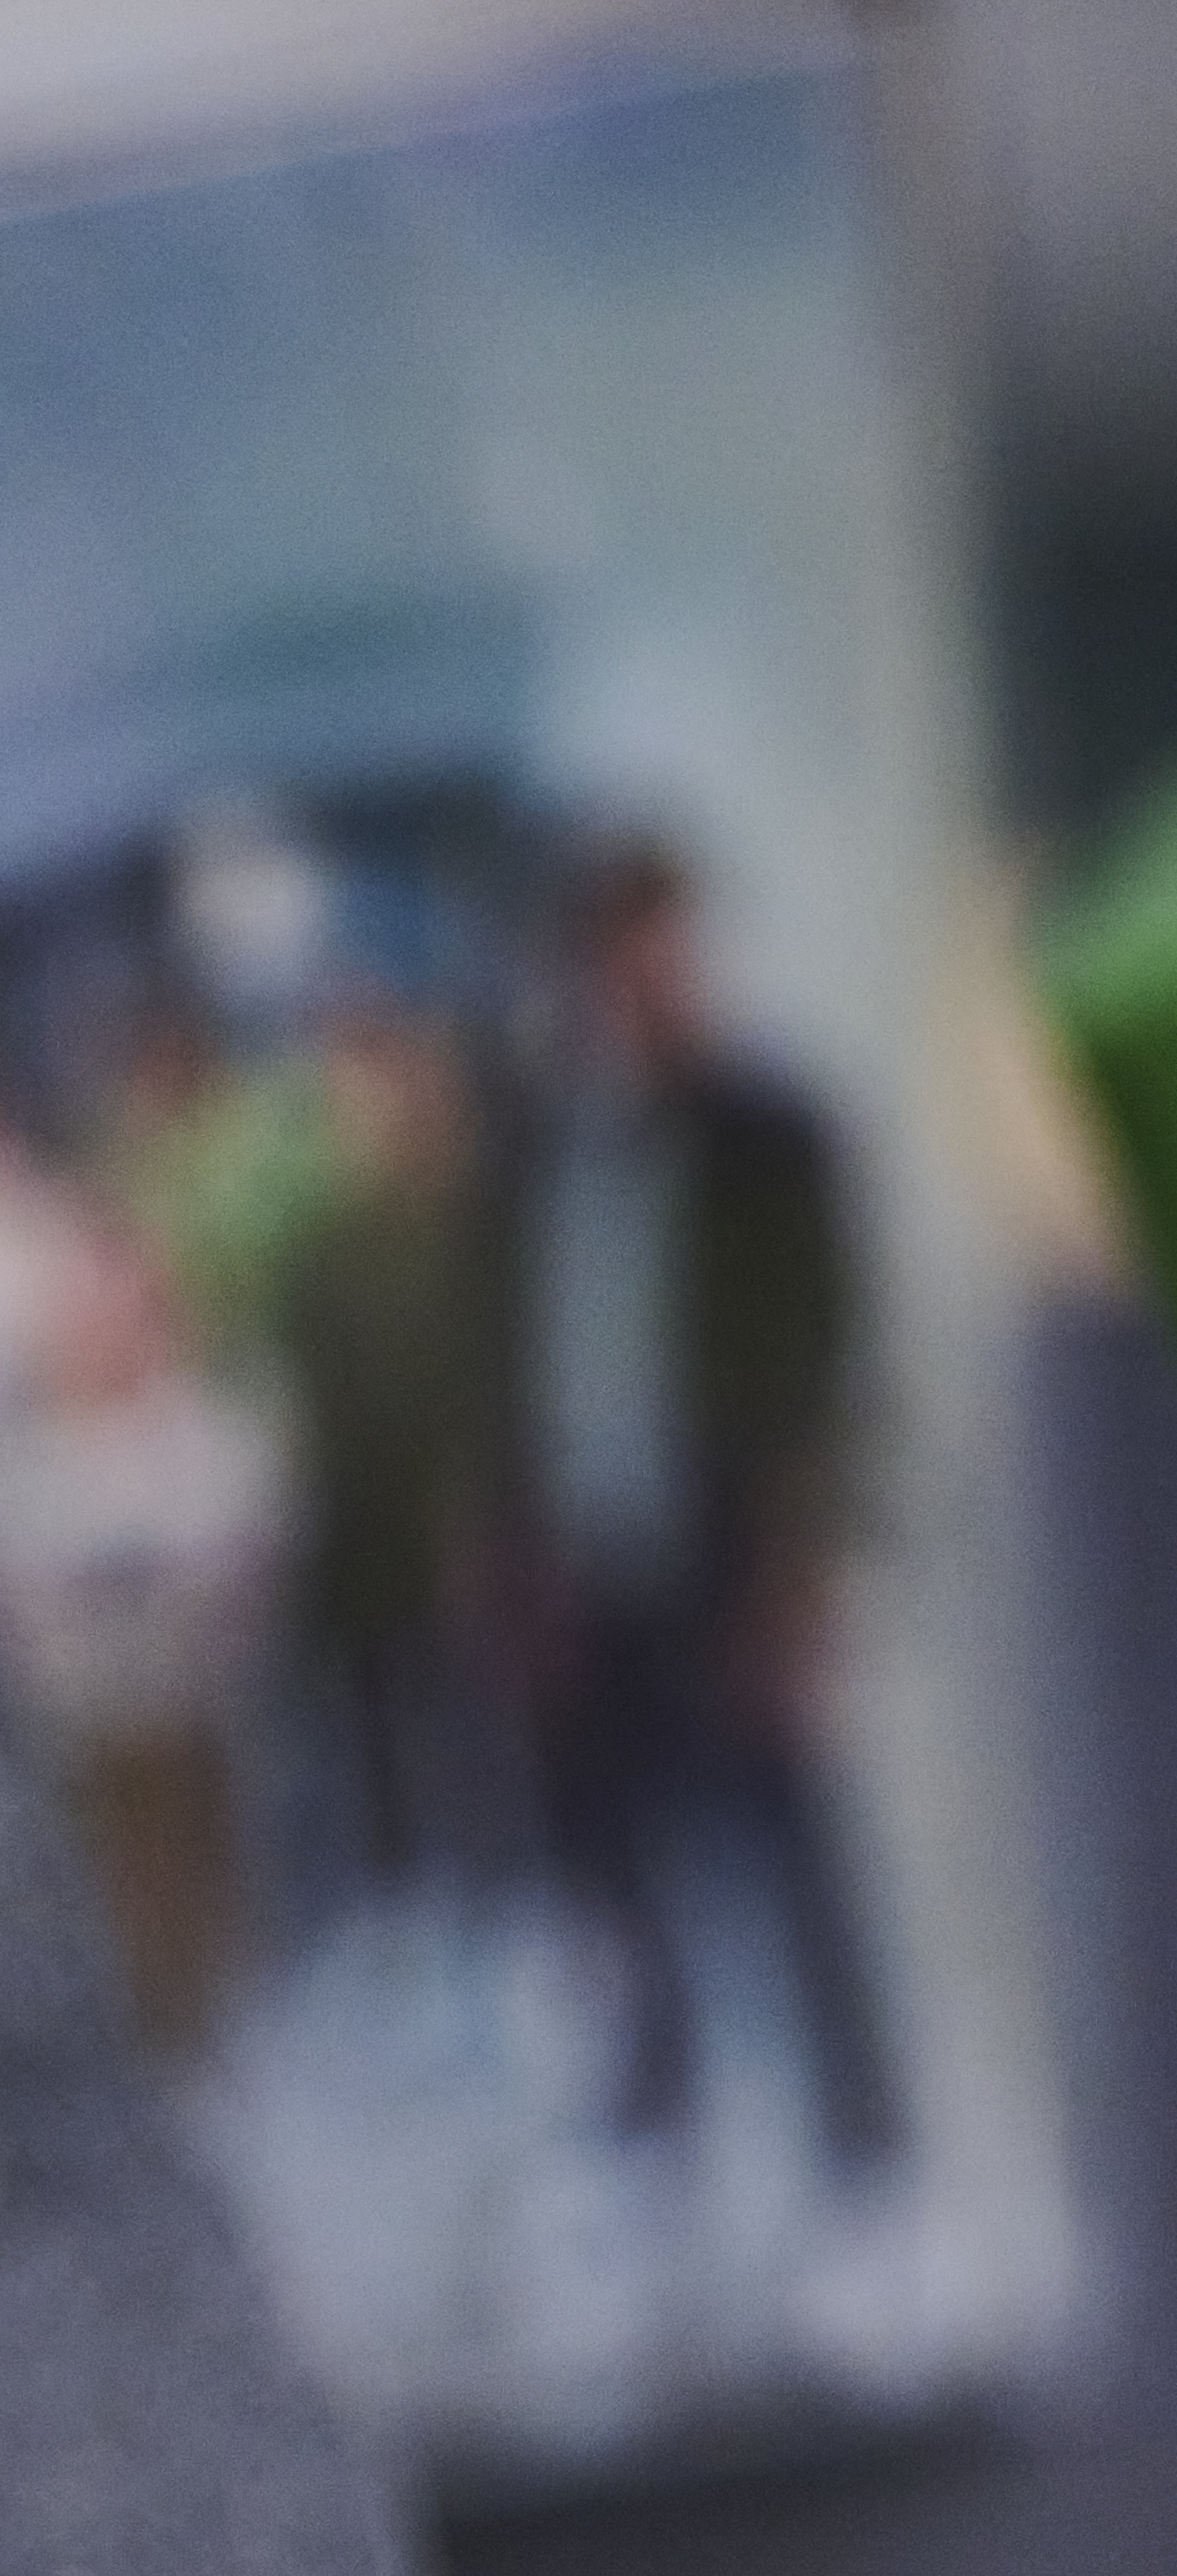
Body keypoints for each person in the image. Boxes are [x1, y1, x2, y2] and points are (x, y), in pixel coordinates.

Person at [508, 839, 900, 2166]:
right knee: (615, 1851)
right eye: (623, 952)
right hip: (594, 1550)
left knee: (788, 1847)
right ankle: (658, 2108)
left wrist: (802, 1573)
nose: (649, 979)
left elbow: (823, 1367)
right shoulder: (551, 1140)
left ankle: (860, 2133)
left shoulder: (765, 1131)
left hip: (732, 1550)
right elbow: (523, 1357)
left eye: (666, 949)